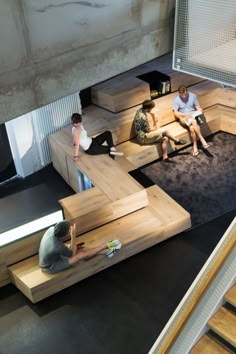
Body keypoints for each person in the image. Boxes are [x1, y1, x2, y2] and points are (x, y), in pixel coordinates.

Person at [39, 220, 122, 274]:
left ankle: (106, 252)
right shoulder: (57, 246)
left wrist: (73, 245)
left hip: (55, 254)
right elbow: (72, 254)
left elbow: (63, 247)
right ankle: (104, 246)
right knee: (79, 256)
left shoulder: (51, 230)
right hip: (51, 266)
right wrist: (73, 236)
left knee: (80, 248)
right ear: (64, 235)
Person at [173, 85, 210, 157]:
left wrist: (199, 110)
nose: (184, 96)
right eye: (182, 95)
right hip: (183, 118)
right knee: (194, 121)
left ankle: (195, 146)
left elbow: (198, 107)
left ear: (187, 92)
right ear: (179, 93)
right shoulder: (176, 99)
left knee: (192, 128)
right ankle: (202, 139)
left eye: (185, 94)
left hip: (192, 115)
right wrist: (184, 115)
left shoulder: (193, 96)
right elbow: (175, 113)